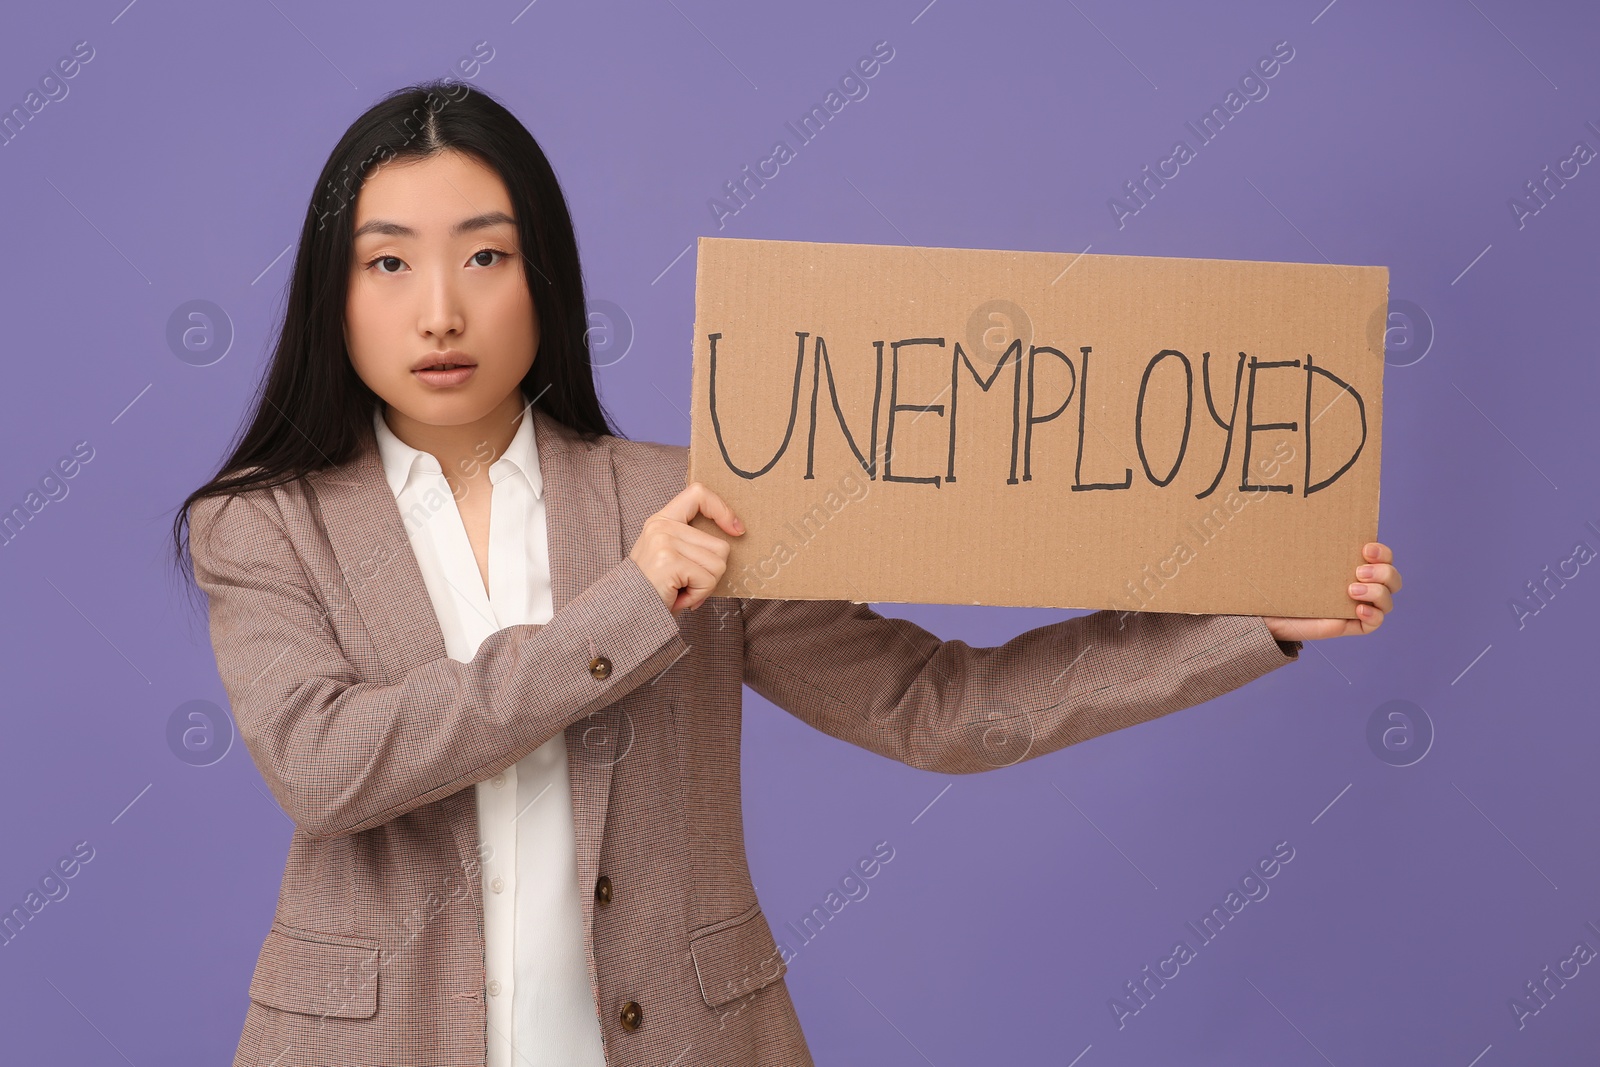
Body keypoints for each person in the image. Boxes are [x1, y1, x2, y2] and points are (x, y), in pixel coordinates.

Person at [173, 80, 1401, 1067]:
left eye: (483, 256)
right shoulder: (264, 527)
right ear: (332, 291)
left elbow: (945, 709)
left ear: (542, 276)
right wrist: (626, 607)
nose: (439, 309)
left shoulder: (690, 503)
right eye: (389, 262)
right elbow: (329, 769)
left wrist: (1241, 616)